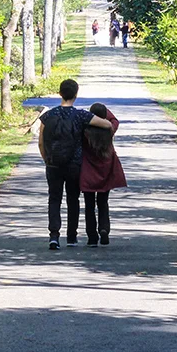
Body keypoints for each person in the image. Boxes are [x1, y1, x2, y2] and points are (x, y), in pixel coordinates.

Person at [38, 79, 113, 250]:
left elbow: (41, 142)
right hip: (74, 165)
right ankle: (71, 236)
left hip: (53, 164)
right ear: (76, 95)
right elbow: (107, 124)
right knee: (73, 199)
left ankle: (54, 236)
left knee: (54, 199)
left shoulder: (47, 116)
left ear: (60, 93)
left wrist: (46, 159)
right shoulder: (81, 115)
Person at [81, 103, 126, 246]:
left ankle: (92, 237)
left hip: (88, 172)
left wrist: (88, 116)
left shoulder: (84, 132)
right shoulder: (109, 130)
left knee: (89, 205)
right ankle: (104, 228)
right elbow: (114, 120)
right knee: (103, 202)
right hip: (106, 171)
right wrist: (105, 113)